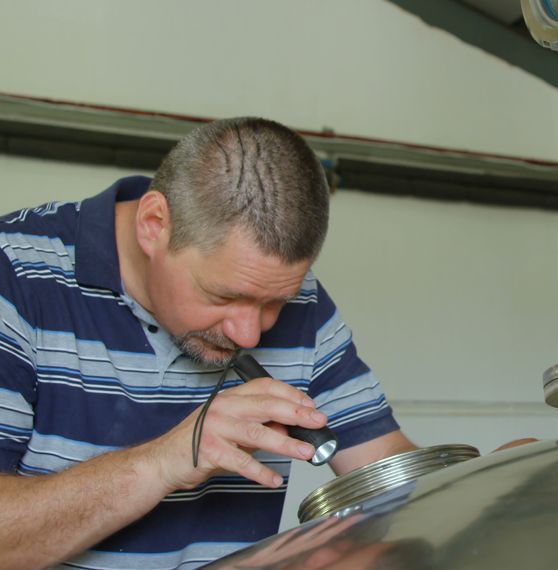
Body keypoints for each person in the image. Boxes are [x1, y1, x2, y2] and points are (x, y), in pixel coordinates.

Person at [0, 117, 421, 569]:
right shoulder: (16, 278)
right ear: (154, 224)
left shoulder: (298, 297)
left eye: (274, 302)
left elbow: (387, 480)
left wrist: (493, 488)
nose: (249, 334)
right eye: (224, 296)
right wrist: (165, 462)